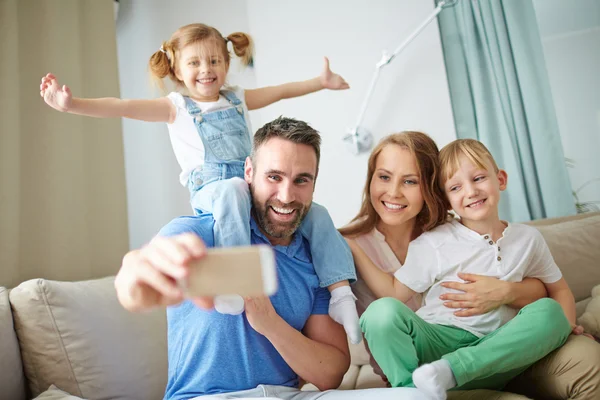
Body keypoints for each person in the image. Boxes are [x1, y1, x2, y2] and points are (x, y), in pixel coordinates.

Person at [39, 23, 360, 342]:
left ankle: (342, 294)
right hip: (213, 190)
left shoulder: (237, 98)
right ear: (176, 69)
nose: (206, 70)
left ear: (226, 64)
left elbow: (281, 91)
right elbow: (121, 107)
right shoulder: (175, 108)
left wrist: (320, 82)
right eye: (194, 62)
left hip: (250, 190)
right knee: (232, 191)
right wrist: (73, 104)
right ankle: (233, 280)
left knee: (315, 212)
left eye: (214, 61)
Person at [114, 117, 427, 400]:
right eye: (274, 177)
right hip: (205, 397)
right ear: (248, 172)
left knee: (417, 398)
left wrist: (269, 324)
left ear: (315, 183)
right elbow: (133, 283)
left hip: (288, 396)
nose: (287, 195)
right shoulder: (199, 234)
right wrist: (135, 268)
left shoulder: (316, 257)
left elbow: (330, 372)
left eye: (302, 180)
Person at [341, 133, 600, 400]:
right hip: (441, 342)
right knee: (380, 312)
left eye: (478, 179)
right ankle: (412, 391)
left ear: (500, 179)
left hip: (503, 351)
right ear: (446, 197)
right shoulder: (434, 242)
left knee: (550, 312)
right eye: (455, 188)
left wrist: (562, 326)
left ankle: (452, 370)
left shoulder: (528, 239)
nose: (471, 191)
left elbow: (557, 291)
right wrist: (352, 247)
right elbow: (394, 296)